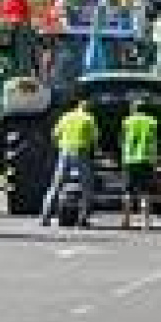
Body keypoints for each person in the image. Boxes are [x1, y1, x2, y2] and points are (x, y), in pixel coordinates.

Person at [46, 96, 100, 227]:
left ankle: (45, 216)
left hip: (65, 152)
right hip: (81, 152)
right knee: (87, 187)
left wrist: (61, 146)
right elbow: (95, 139)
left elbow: (54, 135)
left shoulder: (66, 117)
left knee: (56, 185)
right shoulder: (89, 119)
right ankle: (82, 219)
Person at [117, 101, 161, 229]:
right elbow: (157, 140)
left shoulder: (127, 121)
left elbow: (121, 139)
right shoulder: (152, 122)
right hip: (146, 160)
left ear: (134, 109)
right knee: (146, 192)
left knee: (128, 191)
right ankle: (146, 222)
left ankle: (126, 221)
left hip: (129, 160)